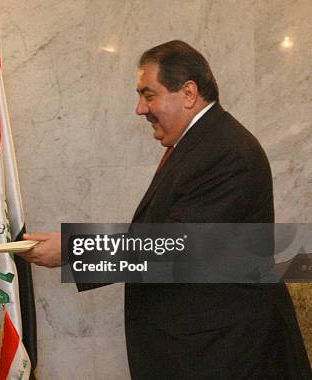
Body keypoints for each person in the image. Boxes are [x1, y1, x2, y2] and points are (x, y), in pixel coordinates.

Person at [20, 40, 311, 379]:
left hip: (222, 352)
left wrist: (74, 250)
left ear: (188, 93)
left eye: (149, 95)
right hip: (198, 347)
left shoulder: (225, 151)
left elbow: (181, 245)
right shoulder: (200, 142)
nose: (140, 109)